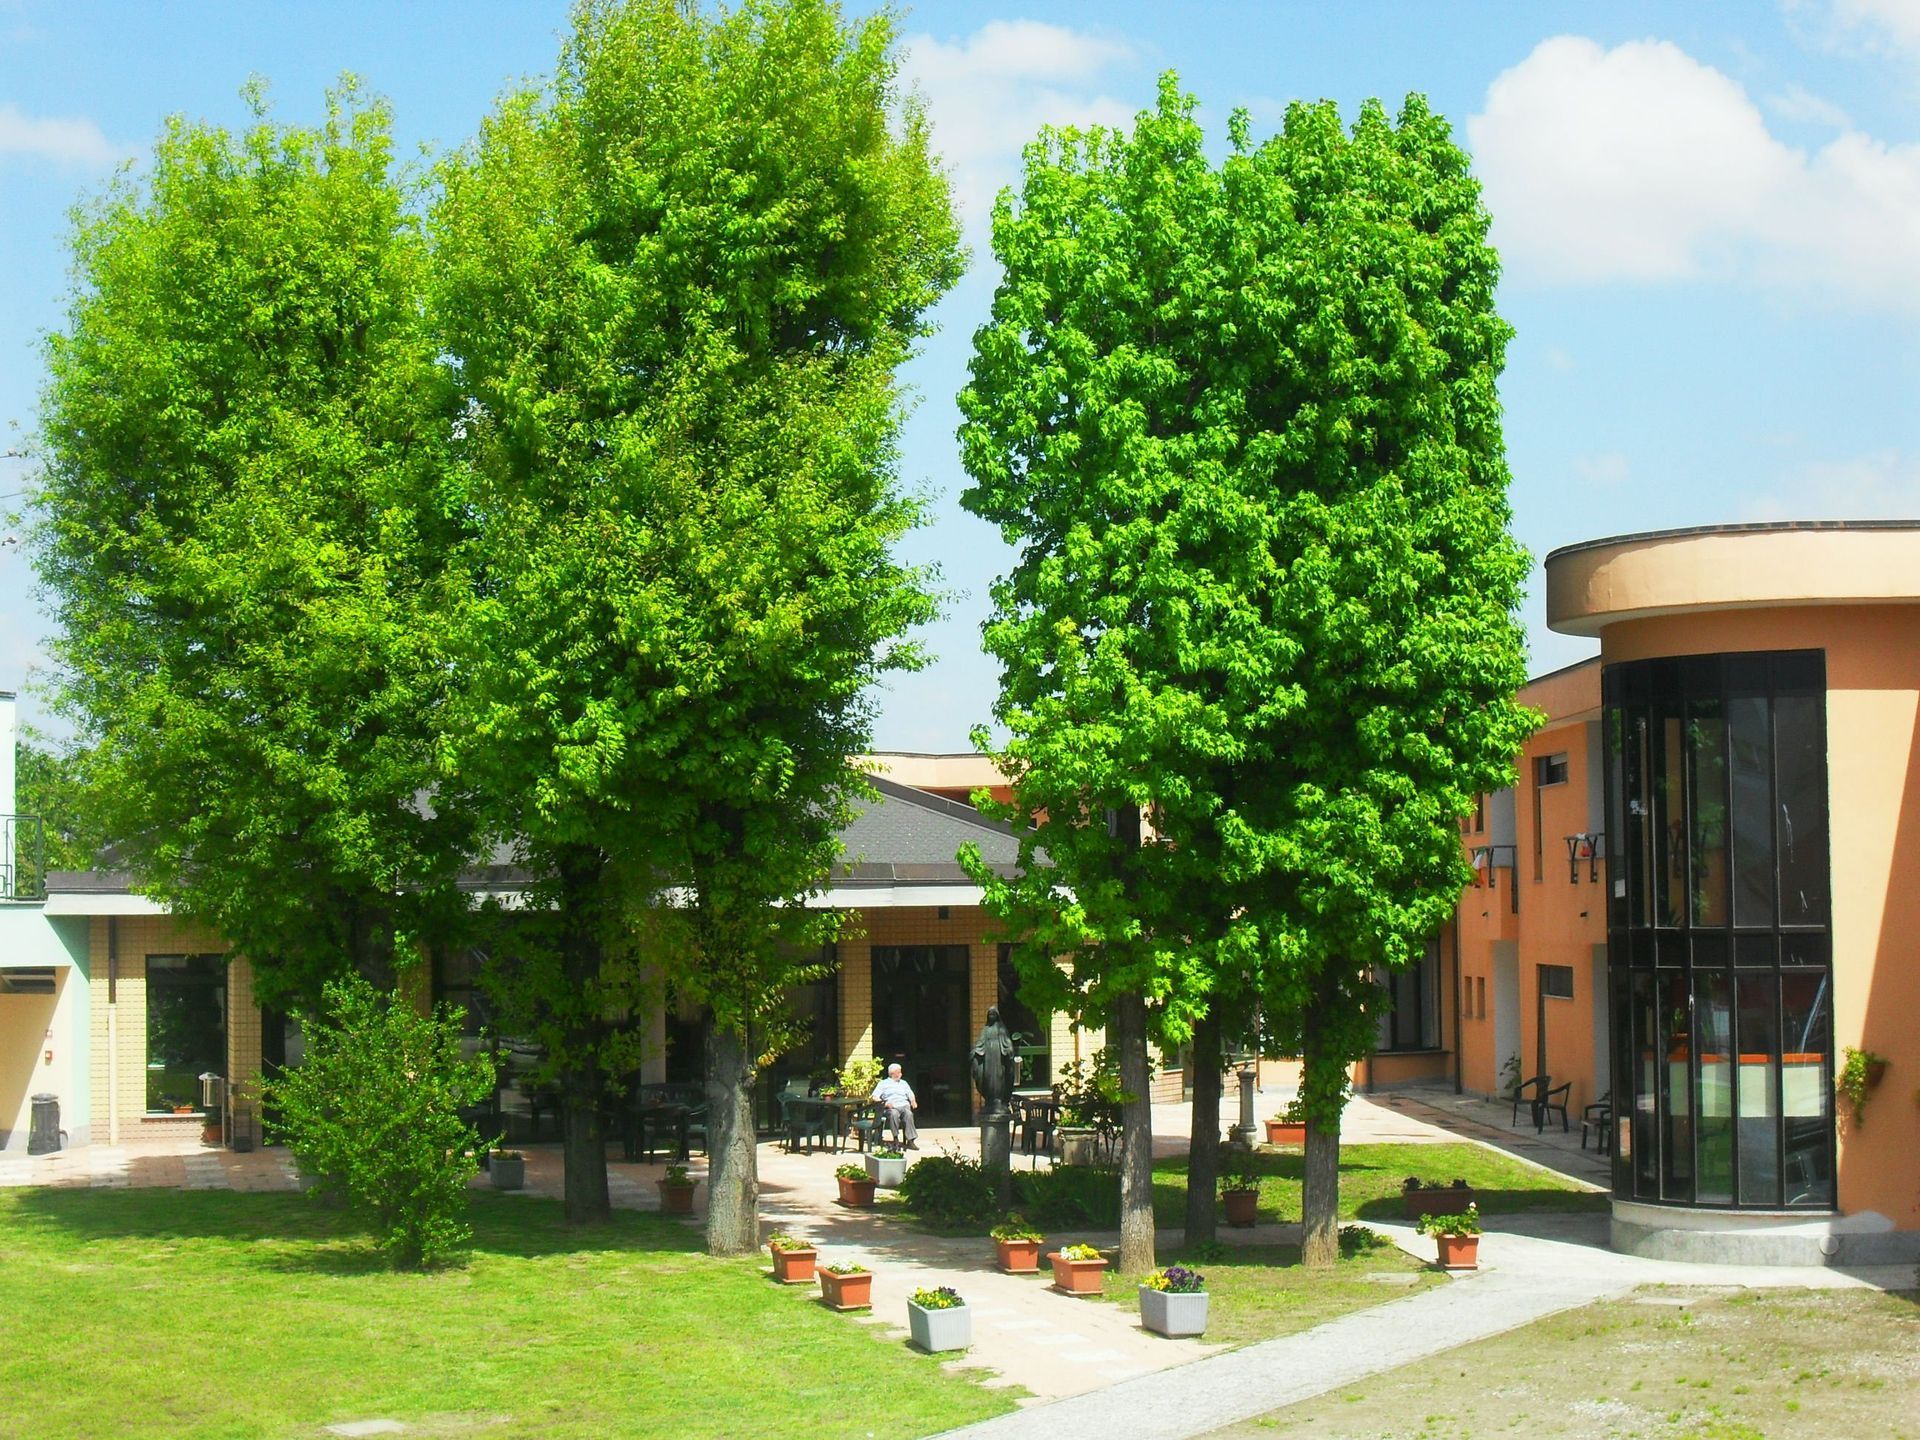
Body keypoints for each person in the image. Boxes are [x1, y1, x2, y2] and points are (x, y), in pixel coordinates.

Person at [871, 1061, 919, 1149]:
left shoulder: (904, 1083)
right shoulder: (883, 1083)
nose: (901, 1073)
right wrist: (885, 1103)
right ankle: (895, 1138)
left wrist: (913, 1101)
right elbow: (874, 1097)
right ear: (893, 1073)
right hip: (891, 1107)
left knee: (909, 1114)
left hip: (904, 1105)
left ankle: (911, 1140)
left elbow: (910, 1093)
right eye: (899, 1072)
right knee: (894, 1114)